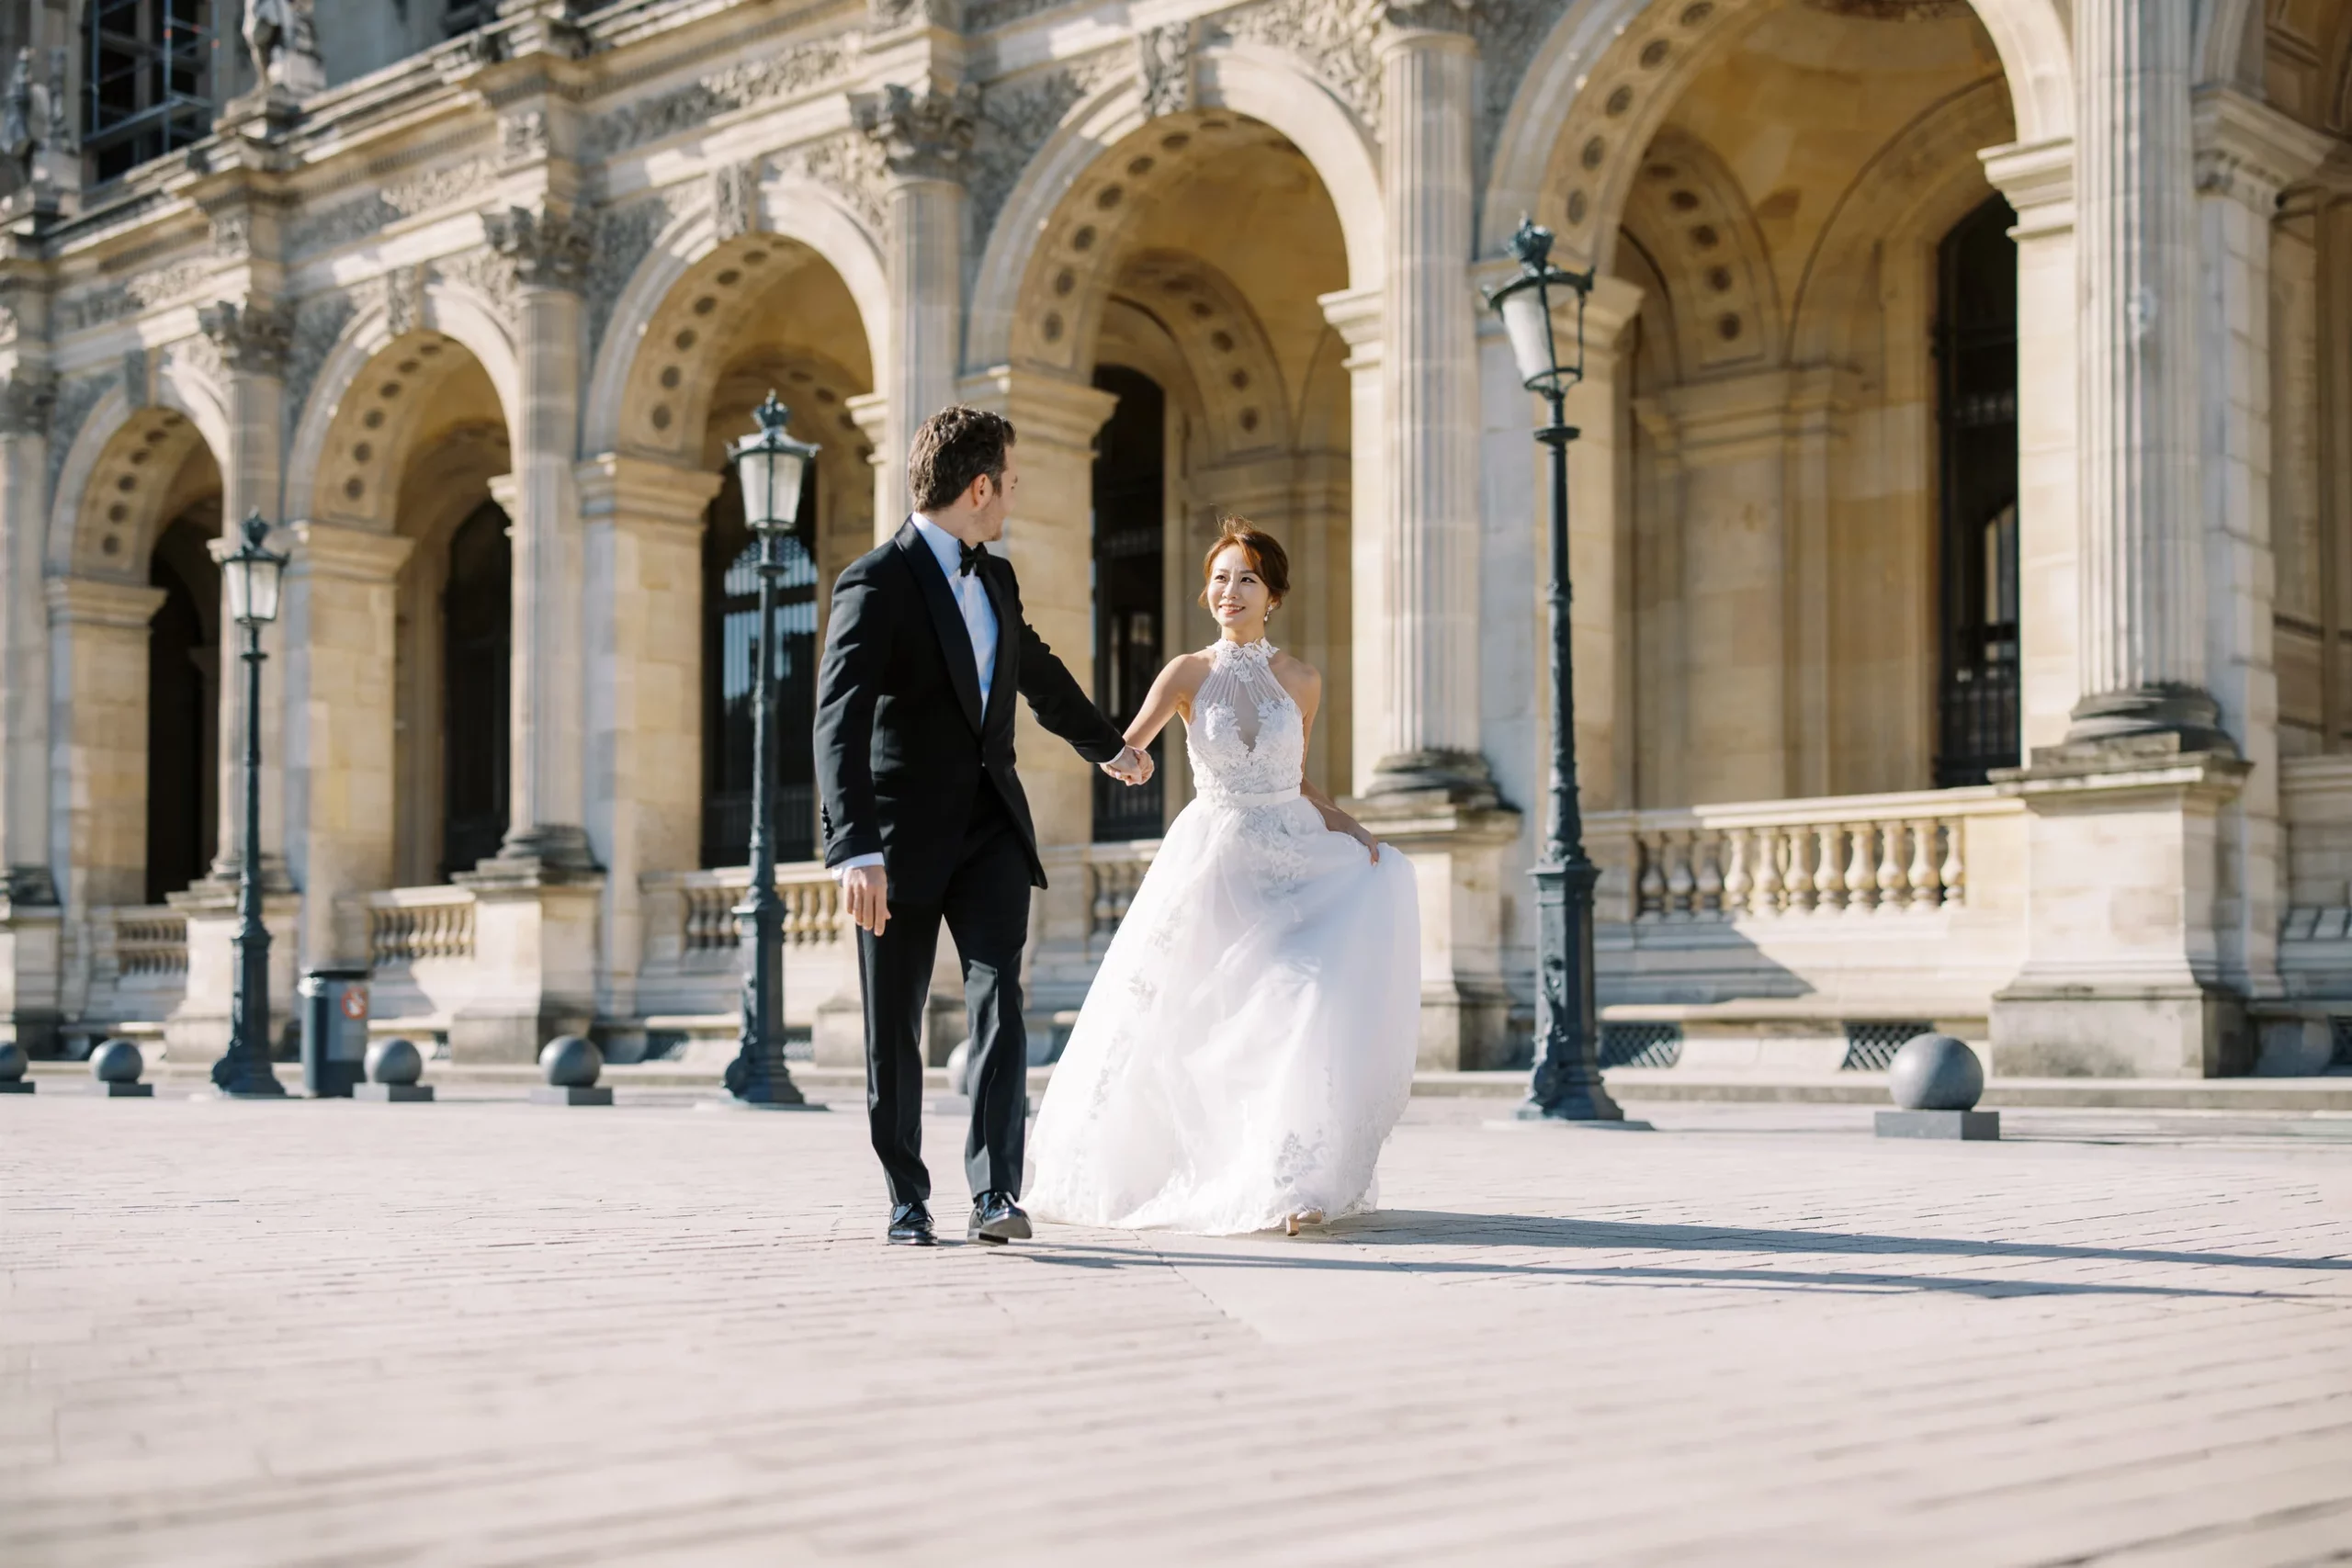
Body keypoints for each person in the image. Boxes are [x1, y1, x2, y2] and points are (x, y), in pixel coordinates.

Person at [814, 405, 1153, 1247]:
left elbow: (1034, 668)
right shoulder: (874, 580)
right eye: (1009, 480)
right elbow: (838, 723)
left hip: (992, 829)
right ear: (977, 487)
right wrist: (854, 847)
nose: (1014, 495)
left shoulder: (994, 576)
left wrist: (1108, 746)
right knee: (893, 1021)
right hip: (895, 846)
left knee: (1002, 994)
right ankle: (906, 1194)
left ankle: (996, 1190)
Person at [1027, 518, 1420, 1236]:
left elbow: (1297, 781)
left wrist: (1354, 827)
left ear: (1272, 594)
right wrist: (1125, 759)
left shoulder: (1302, 679)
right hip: (1213, 862)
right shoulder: (1185, 672)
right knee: (1198, 1026)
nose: (1228, 592)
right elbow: (1126, 744)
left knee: (1302, 1000)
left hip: (1294, 860)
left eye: (1244, 578)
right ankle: (1203, 1170)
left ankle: (1292, 1180)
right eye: (1219, 578)